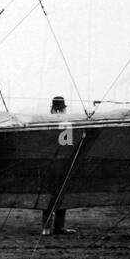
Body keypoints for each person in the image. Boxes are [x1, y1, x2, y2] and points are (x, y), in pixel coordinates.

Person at [43, 95, 74, 235]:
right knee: (56, 196)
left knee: (53, 196)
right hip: (59, 164)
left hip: (52, 164)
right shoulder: (65, 123)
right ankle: (54, 227)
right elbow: (66, 145)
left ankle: (49, 227)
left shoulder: (45, 121)